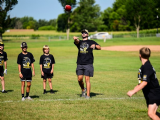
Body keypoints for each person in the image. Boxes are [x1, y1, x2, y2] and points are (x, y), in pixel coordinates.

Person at [127, 47, 160, 120]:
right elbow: (142, 82)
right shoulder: (145, 66)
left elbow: (145, 82)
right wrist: (135, 88)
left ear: (140, 55)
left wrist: (133, 91)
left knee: (151, 114)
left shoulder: (147, 67)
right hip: (151, 93)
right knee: (154, 114)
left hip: (154, 93)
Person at [73, 29, 101, 99]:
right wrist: (75, 39)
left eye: (85, 33)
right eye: (82, 33)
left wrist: (95, 46)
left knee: (87, 79)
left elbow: (100, 47)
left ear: (87, 34)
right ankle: (83, 90)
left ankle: (88, 95)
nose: (84, 34)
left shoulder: (91, 42)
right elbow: (77, 42)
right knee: (79, 79)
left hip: (88, 63)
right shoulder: (80, 42)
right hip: (80, 63)